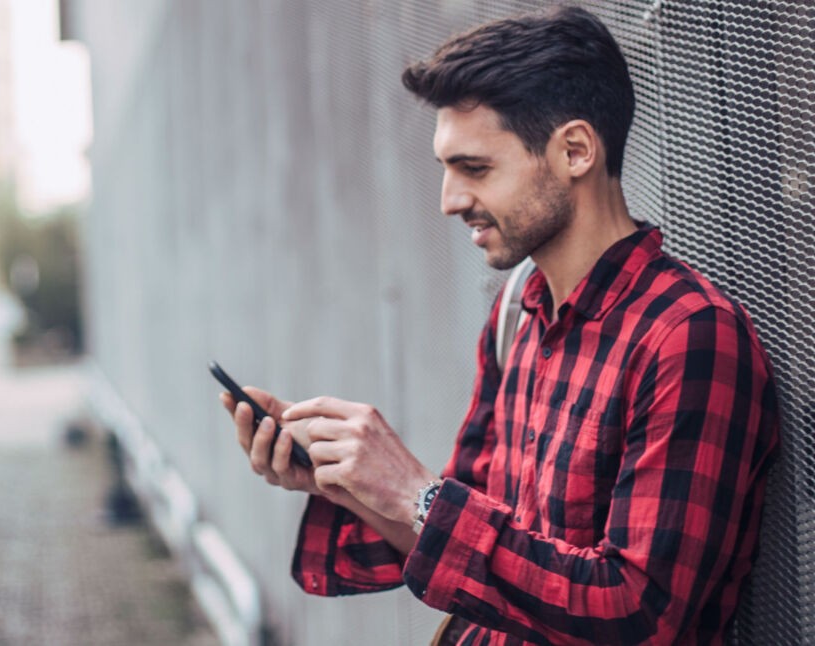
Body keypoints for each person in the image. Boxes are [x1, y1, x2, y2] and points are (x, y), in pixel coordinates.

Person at [220, 6, 779, 645]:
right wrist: (349, 482)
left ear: (574, 151)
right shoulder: (517, 313)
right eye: (446, 169)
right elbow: (475, 543)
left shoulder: (688, 338)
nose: (450, 200)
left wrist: (418, 495)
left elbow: (641, 616)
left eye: (475, 169)